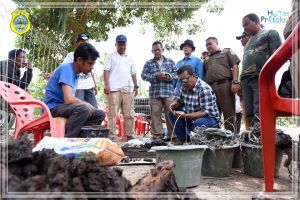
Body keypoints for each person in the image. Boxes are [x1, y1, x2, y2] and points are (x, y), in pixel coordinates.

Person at [44, 43, 105, 138]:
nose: (92, 67)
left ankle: (81, 137)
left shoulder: (76, 74)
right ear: (80, 60)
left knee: (99, 114)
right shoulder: (67, 69)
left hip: (64, 107)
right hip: (53, 107)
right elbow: (68, 99)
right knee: (84, 108)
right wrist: (87, 104)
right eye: (90, 63)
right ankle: (68, 140)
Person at [241, 13, 282, 126]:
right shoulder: (248, 42)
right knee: (248, 110)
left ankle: (261, 137)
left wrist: (268, 75)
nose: (245, 28)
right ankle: (254, 135)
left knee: (259, 108)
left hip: (260, 76)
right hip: (245, 78)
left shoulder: (270, 33)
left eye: (247, 24)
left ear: (256, 21)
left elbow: (277, 56)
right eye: (243, 26)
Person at [168, 65, 220, 145]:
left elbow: (205, 112)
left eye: (185, 79)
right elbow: (180, 101)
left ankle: (198, 140)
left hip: (210, 120)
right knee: (171, 113)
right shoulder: (184, 86)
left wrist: (185, 115)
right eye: (180, 81)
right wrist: (174, 105)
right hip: (192, 119)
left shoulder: (204, 89)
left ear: (193, 76)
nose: (183, 83)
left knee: (198, 123)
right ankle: (184, 139)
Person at [104, 34, 138, 140]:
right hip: (113, 89)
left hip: (128, 88)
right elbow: (106, 71)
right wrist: (106, 85)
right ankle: (112, 136)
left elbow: (133, 73)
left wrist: (136, 86)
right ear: (116, 44)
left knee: (129, 113)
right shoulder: (110, 56)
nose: (122, 46)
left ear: (126, 45)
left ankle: (130, 135)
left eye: (124, 44)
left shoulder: (130, 57)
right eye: (120, 44)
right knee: (112, 114)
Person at [204, 37, 241, 133]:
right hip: (211, 88)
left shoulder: (226, 52)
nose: (208, 46)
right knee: (213, 114)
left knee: (229, 112)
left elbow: (235, 65)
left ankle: (231, 136)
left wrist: (235, 81)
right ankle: (216, 135)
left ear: (216, 42)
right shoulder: (206, 59)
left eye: (210, 43)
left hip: (225, 85)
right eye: (206, 45)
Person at [141, 41, 176, 141]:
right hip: (155, 93)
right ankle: (157, 137)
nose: (157, 51)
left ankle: (172, 136)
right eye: (155, 50)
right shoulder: (148, 63)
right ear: (152, 51)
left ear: (162, 50)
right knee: (155, 115)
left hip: (169, 92)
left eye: (158, 49)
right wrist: (155, 76)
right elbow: (143, 76)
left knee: (170, 114)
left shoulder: (170, 61)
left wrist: (169, 76)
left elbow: (176, 74)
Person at [62, 33, 98, 108]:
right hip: (78, 86)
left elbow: (93, 72)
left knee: (95, 109)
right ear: (77, 43)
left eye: (86, 43)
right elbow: (62, 67)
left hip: (89, 86)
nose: (84, 44)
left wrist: (95, 85)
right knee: (80, 107)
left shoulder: (90, 56)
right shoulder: (71, 55)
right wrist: (52, 74)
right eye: (82, 42)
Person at [236, 31, 251, 130]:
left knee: (255, 108)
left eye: (243, 37)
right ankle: (250, 131)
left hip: (255, 81)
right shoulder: (246, 50)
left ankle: (258, 132)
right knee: (246, 109)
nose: (241, 40)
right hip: (245, 82)